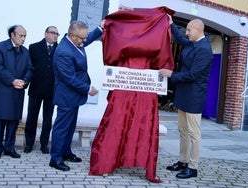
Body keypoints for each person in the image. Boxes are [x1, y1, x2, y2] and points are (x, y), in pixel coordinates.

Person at [89, 7, 174, 183]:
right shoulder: (155, 37)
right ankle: (118, 163)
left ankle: (105, 164)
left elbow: (111, 55)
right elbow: (163, 57)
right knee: (141, 124)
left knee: (116, 122)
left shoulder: (124, 39)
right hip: (143, 82)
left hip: (130, 82)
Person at [159, 18, 213, 179]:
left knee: (194, 134)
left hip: (194, 96)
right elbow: (181, 39)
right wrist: (171, 24)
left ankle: (193, 167)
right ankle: (183, 161)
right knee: (183, 130)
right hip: (184, 93)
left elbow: (193, 75)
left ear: (198, 30)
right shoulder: (192, 42)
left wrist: (171, 75)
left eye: (189, 30)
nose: (187, 33)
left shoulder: (204, 49)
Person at [49, 20, 104, 171]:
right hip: (66, 96)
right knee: (62, 127)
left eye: (85, 37)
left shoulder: (75, 43)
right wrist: (88, 88)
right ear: (72, 35)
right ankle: (55, 158)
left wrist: (100, 28)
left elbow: (87, 40)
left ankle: (66, 152)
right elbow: (69, 78)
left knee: (70, 126)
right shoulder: (63, 52)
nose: (84, 40)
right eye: (82, 38)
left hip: (74, 96)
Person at [0, 25, 33, 159]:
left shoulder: (25, 51)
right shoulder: (0, 47)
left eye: (25, 36)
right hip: (2, 91)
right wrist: (12, 80)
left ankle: (9, 148)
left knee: (13, 121)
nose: (23, 39)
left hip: (17, 92)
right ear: (12, 35)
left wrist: (24, 81)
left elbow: (30, 68)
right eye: (21, 36)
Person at [24, 26, 59, 154]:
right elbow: (29, 67)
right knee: (31, 118)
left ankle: (44, 144)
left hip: (51, 90)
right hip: (36, 88)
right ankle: (29, 143)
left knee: (47, 119)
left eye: (57, 33)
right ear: (45, 34)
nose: (55, 35)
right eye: (52, 33)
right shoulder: (34, 48)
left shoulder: (59, 49)